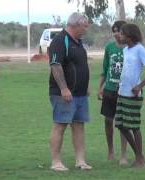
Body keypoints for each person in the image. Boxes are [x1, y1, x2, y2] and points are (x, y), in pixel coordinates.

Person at [49, 12, 91, 171]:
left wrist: (85, 86)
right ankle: (56, 162)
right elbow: (55, 65)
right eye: (84, 26)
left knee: (79, 125)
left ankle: (80, 161)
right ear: (75, 24)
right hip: (64, 94)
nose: (86, 29)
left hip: (80, 93)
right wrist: (64, 88)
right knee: (60, 125)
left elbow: (81, 65)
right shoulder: (60, 40)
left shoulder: (78, 42)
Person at [114, 23, 145, 168]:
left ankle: (139, 158)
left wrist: (140, 86)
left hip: (133, 95)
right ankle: (139, 155)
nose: (119, 36)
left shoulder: (139, 49)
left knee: (134, 126)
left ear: (130, 36)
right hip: (122, 92)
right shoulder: (126, 50)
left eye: (122, 33)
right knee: (120, 125)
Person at [98, 20, 128, 164]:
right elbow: (105, 69)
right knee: (108, 120)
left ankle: (123, 155)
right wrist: (100, 87)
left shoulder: (131, 48)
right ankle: (111, 150)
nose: (116, 34)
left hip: (125, 91)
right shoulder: (109, 47)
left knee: (123, 123)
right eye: (114, 31)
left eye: (119, 30)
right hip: (109, 89)